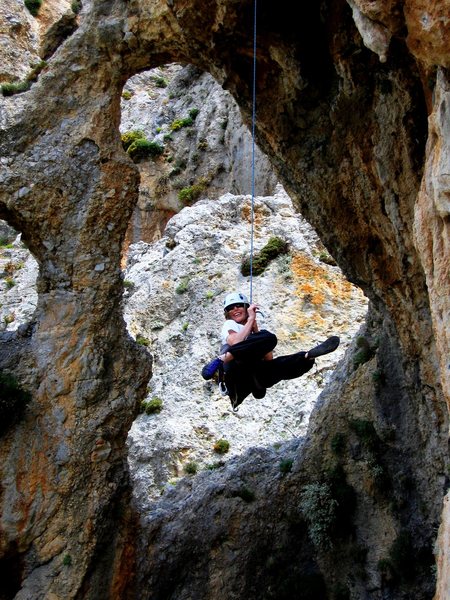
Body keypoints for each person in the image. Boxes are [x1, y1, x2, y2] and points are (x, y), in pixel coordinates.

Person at [201, 291, 340, 410]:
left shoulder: (254, 332)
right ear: (228, 313)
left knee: (275, 352)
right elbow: (235, 341)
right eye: (231, 308)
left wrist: (255, 330)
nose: (235, 309)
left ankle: (307, 357)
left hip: (254, 374)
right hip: (236, 370)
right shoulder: (230, 324)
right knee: (268, 337)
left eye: (239, 305)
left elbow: (269, 360)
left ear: (246, 308)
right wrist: (251, 320)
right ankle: (221, 359)